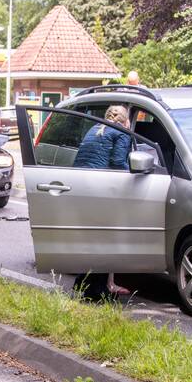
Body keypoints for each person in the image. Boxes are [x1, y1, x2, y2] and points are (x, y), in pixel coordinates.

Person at [72, 105, 132, 296]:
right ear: (126, 121)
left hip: (80, 188)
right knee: (104, 239)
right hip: (100, 188)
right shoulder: (122, 133)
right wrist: (134, 174)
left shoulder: (94, 129)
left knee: (95, 238)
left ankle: (86, 282)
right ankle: (95, 290)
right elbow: (118, 162)